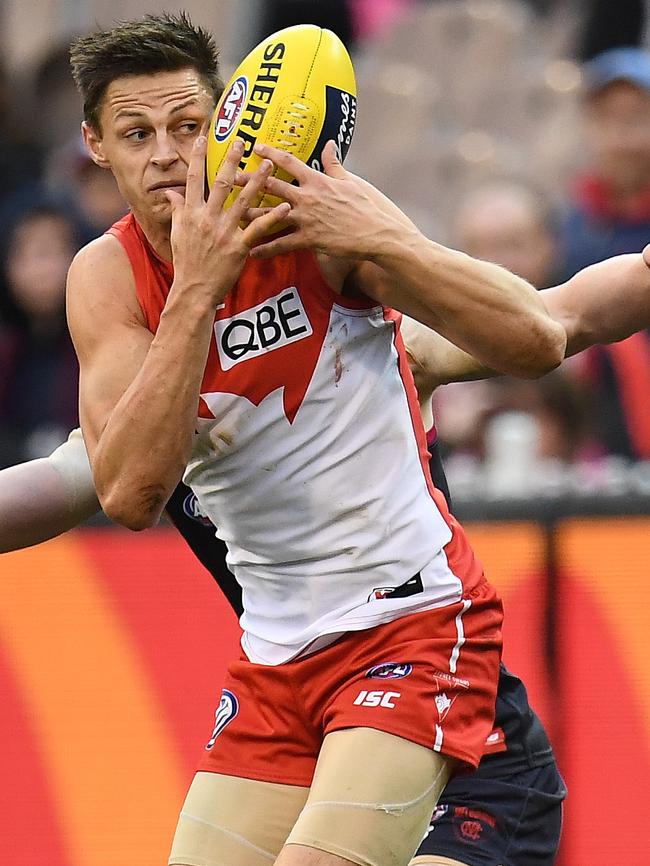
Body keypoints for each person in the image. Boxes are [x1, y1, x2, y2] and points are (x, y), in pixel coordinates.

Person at [65, 13, 567, 866]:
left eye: (189, 126)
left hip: (410, 624)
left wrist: (380, 237)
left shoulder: (314, 216)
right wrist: (199, 287)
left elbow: (539, 340)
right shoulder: (106, 277)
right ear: (96, 145)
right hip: (276, 660)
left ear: (227, 117)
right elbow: (128, 494)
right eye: (135, 133)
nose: (167, 156)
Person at [5, 240, 650, 863]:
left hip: (469, 751)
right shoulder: (150, 431)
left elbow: (566, 314)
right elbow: (55, 487)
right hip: (303, 724)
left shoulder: (368, 353)